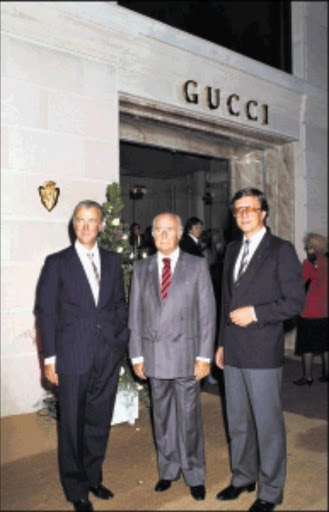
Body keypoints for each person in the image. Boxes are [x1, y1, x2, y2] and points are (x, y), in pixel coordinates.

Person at [215, 188, 305, 512]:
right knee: (237, 420)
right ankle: (242, 477)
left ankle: (270, 491)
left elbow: (295, 302)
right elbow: (225, 301)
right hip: (234, 349)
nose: (243, 214)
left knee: (267, 425)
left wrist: (255, 313)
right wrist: (221, 343)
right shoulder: (231, 249)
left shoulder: (280, 250)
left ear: (263, 212)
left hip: (263, 350)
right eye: (238, 210)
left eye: (250, 209)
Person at [36, 200, 129, 512]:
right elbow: (46, 313)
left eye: (92, 220)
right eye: (81, 220)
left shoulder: (113, 261)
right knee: (72, 426)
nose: (87, 226)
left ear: (101, 225)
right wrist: (50, 360)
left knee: (99, 421)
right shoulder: (57, 263)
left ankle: (93, 477)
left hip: (107, 354)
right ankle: (76, 489)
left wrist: (119, 341)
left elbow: (118, 304)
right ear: (73, 224)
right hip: (71, 357)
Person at [128, 212, 216, 501]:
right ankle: (168, 469)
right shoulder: (141, 268)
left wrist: (204, 355)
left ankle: (194, 473)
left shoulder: (197, 265)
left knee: (189, 416)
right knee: (162, 416)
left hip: (187, 355)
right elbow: (135, 317)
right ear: (152, 236)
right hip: (153, 355)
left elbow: (207, 314)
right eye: (158, 231)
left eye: (169, 230)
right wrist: (136, 355)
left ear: (179, 234)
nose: (163, 235)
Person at [293, 233, 328, 385]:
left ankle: (307, 376)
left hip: (309, 311)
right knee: (326, 345)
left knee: (307, 346)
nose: (306, 248)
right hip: (325, 310)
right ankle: (326, 374)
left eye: (308, 246)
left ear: (312, 247)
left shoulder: (308, 263)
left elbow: (299, 283)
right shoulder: (327, 261)